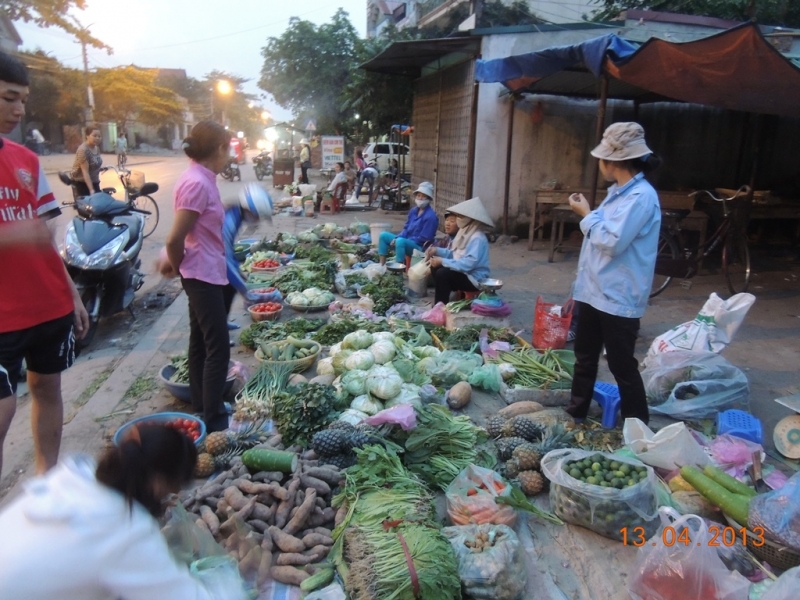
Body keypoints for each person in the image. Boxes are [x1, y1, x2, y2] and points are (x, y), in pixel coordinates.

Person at [0, 424, 248, 599]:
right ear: (158, 485)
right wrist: (231, 581)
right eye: (172, 491)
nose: (171, 500)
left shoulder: (73, 479)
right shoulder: (124, 532)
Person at [0, 51, 89, 480]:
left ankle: (45, 483)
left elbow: (47, 241)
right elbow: (30, 232)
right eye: (8, 98)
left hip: (47, 304)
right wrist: (20, 233)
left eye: (22, 100)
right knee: (4, 408)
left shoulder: (26, 160)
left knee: (47, 390)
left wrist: (71, 293)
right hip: (3, 315)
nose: (18, 110)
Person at [564, 122, 662, 425]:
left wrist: (586, 214)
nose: (600, 164)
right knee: (585, 358)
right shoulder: (618, 193)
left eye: (602, 159)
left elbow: (611, 242)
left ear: (614, 161)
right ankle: (576, 412)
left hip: (619, 295)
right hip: (594, 291)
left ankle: (638, 426)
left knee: (622, 365)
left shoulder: (642, 197)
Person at [160, 121, 233, 433]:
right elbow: (174, 239)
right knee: (218, 346)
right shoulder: (197, 183)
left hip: (207, 269)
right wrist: (178, 268)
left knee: (200, 341)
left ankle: (202, 405)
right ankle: (214, 420)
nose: (230, 156)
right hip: (200, 273)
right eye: (228, 149)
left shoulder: (204, 179)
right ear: (218, 149)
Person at [426, 196, 493, 305]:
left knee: (443, 274)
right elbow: (455, 254)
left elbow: (468, 264)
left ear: (470, 219)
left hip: (474, 278)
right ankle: (444, 299)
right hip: (464, 273)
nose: (458, 219)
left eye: (461, 216)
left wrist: (442, 261)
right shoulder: (465, 233)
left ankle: (440, 306)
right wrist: (437, 251)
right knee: (435, 266)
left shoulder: (477, 238)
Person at [224, 183, 274, 306]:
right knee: (224, 289)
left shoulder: (236, 216)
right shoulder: (229, 221)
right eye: (258, 216)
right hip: (200, 269)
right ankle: (219, 323)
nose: (258, 220)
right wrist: (244, 290)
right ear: (248, 209)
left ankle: (222, 322)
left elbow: (229, 250)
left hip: (213, 262)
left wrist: (239, 273)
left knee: (228, 289)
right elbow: (224, 259)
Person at [378, 181, 438, 265]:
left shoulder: (431, 216)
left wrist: (404, 240)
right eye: (418, 195)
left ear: (428, 199)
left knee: (400, 241)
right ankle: (382, 265)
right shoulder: (413, 211)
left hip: (420, 247)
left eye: (423, 196)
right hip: (406, 241)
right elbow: (406, 229)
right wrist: (397, 238)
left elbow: (425, 238)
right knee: (383, 235)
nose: (420, 198)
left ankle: (398, 269)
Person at [70, 125, 103, 198]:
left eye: (99, 136)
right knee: (89, 207)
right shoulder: (83, 150)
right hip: (83, 184)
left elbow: (95, 163)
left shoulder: (96, 148)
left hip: (95, 182)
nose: (97, 138)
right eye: (94, 136)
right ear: (87, 136)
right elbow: (85, 172)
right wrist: (91, 190)